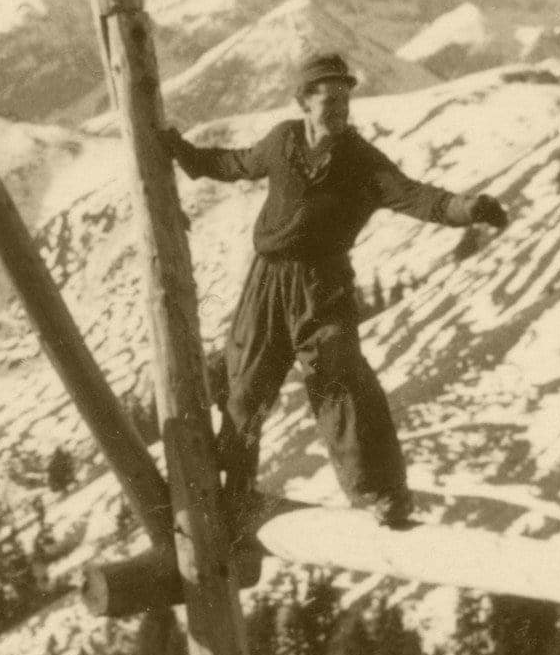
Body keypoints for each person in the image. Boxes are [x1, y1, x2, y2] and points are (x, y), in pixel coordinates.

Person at [162, 51, 509, 531]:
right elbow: (237, 163)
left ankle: (380, 497)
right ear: (303, 101)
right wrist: (185, 154)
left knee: (339, 379)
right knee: (246, 387)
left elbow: (413, 195)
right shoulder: (283, 140)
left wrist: (467, 208)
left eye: (345, 98)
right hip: (265, 281)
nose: (340, 108)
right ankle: (233, 492)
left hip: (321, 287)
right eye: (329, 98)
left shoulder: (359, 159)